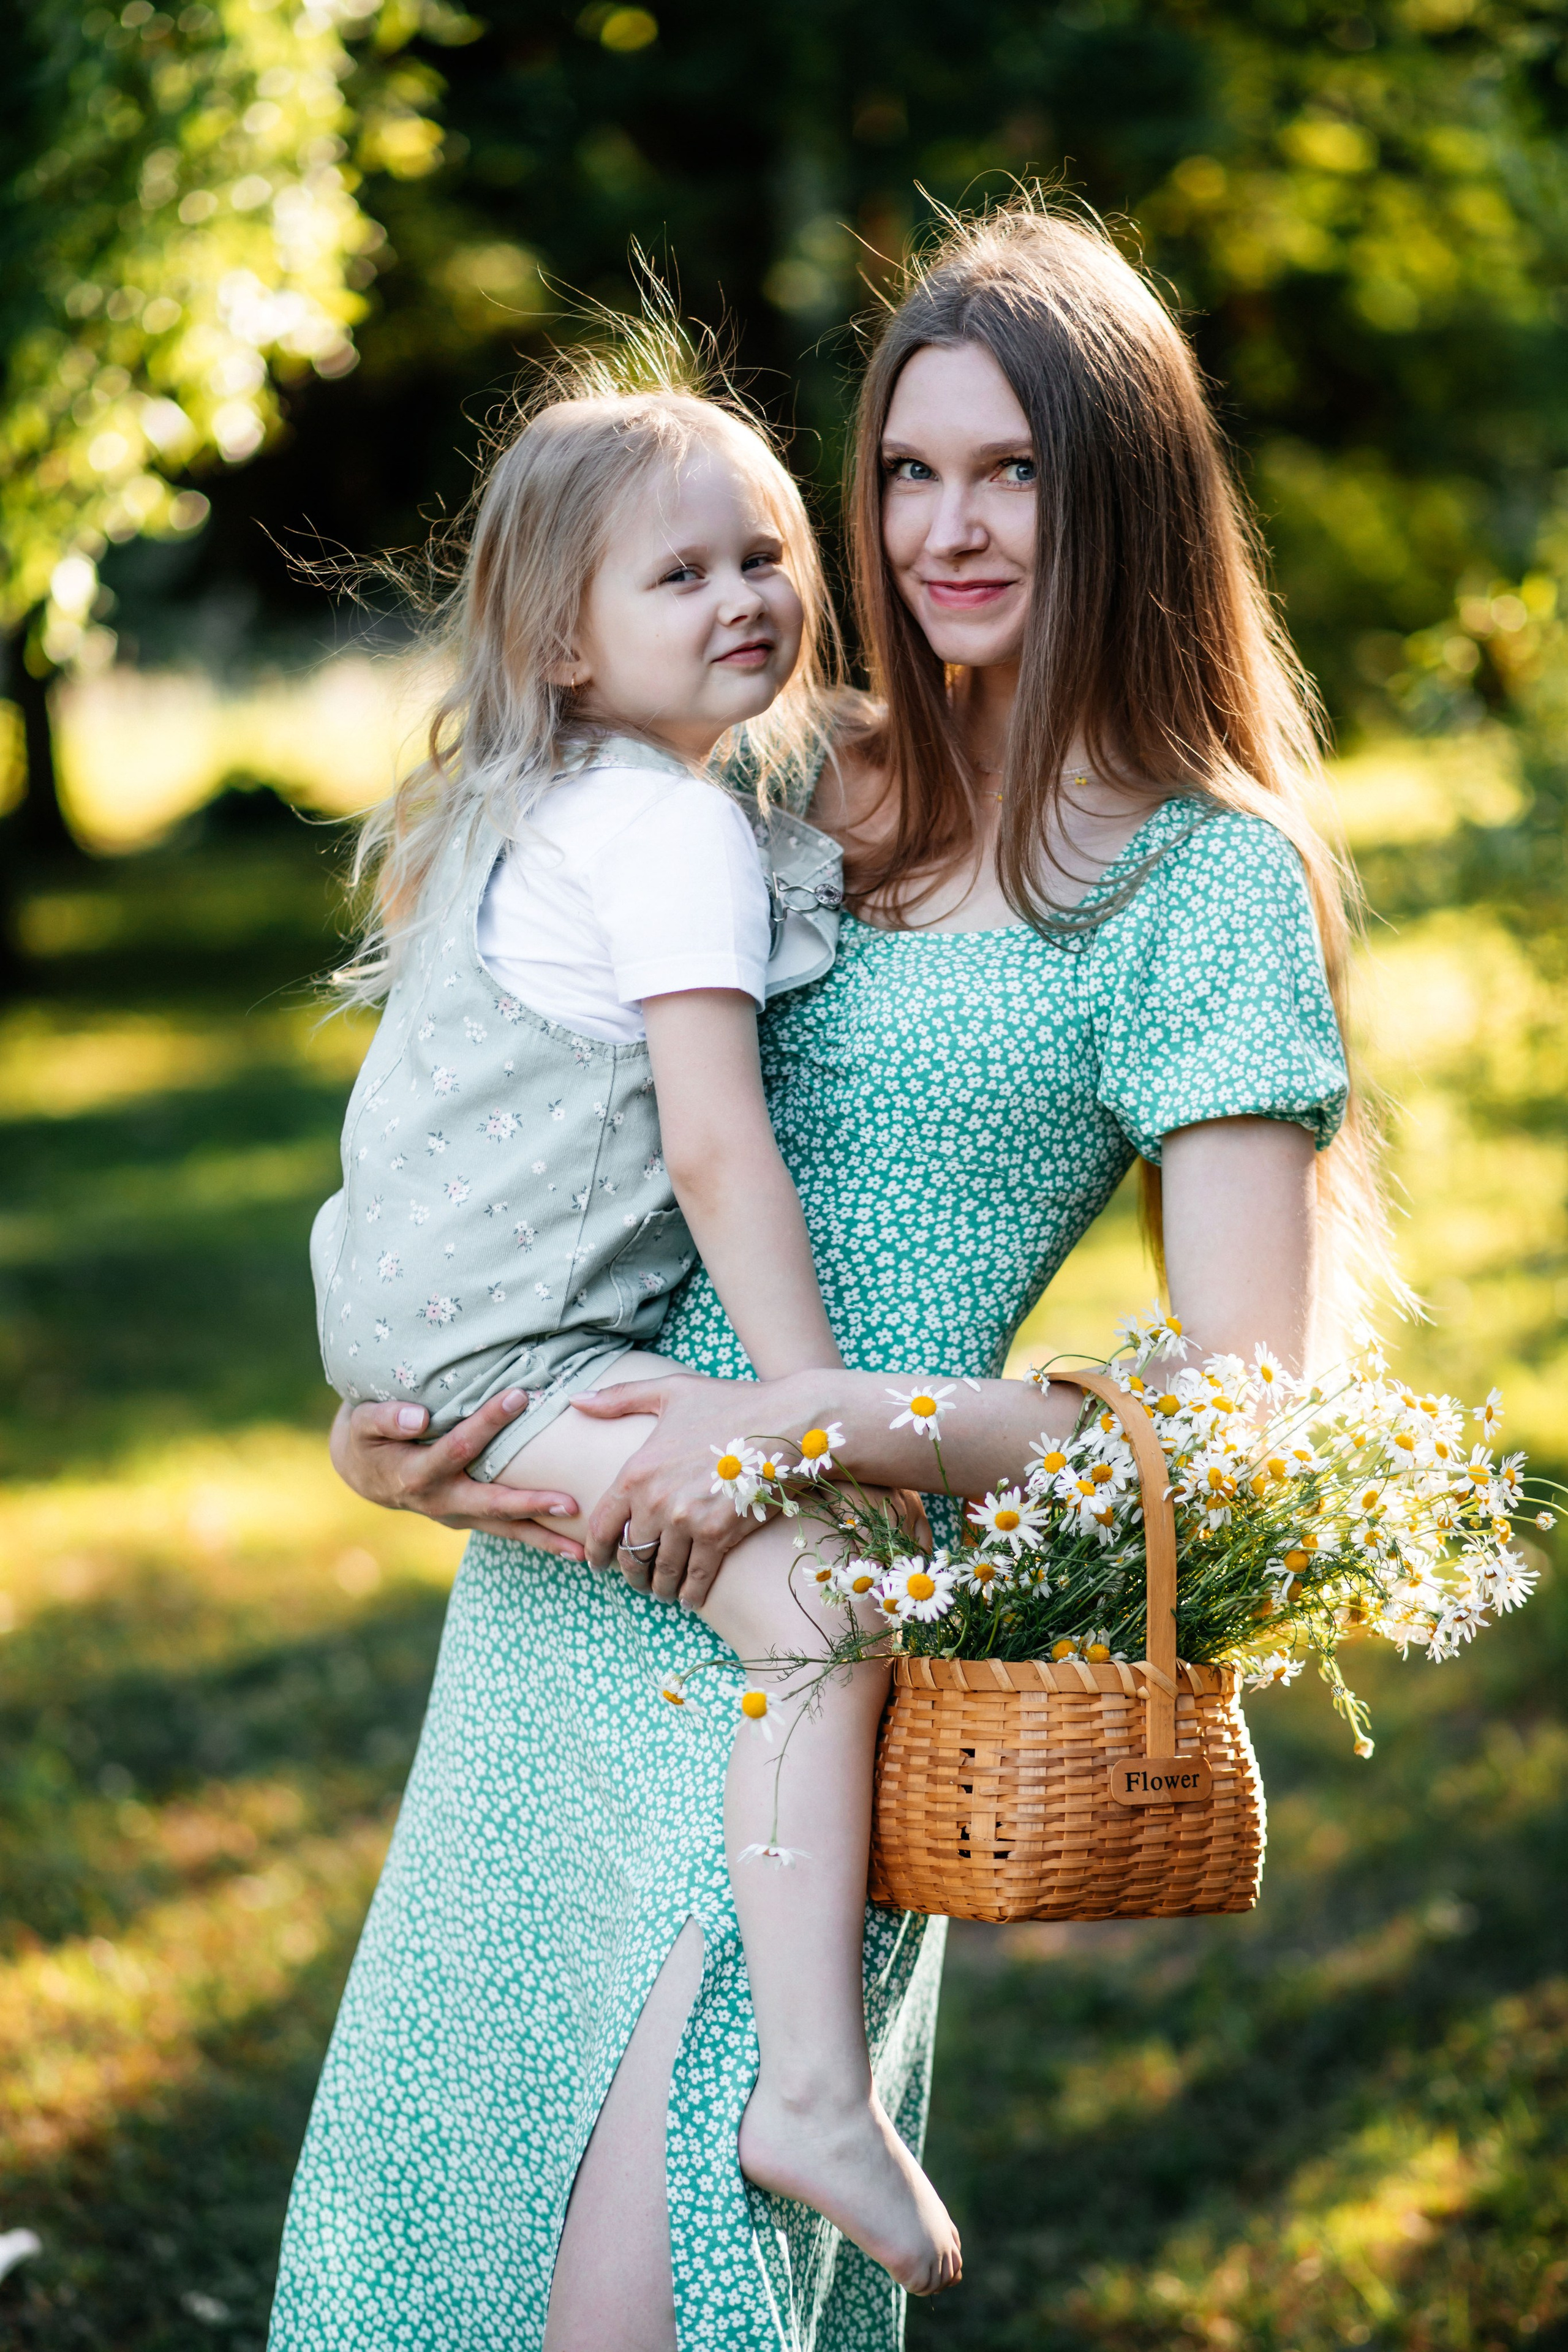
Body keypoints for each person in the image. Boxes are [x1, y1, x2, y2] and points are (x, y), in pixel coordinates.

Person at [271, 198, 1383, 2352]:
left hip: (792, 1630)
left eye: (1016, 472)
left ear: (1130, 489)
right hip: (566, 1588)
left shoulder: (1204, 885)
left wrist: (793, 1420)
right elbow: (519, 1105)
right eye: (905, 467)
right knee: (421, 2281)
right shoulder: (794, 770)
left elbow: (1257, 1437)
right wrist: (411, 1428)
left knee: (635, 2307)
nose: (945, 529)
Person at [304, 358, 961, 2295]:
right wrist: (798, 1413)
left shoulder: (559, 806)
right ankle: (811, 2094)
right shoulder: (659, 832)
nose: (746, 596)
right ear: (565, 644)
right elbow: (714, 1148)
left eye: (766, 554)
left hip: (439, 1344)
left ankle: (799, 2096)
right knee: (823, 1597)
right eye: (681, 577)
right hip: (511, 1359)